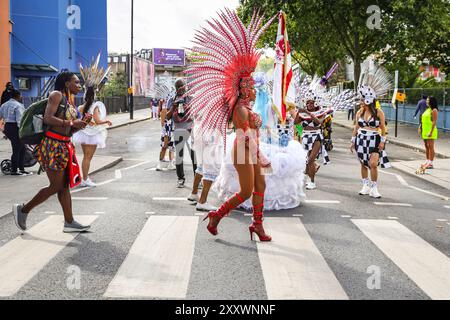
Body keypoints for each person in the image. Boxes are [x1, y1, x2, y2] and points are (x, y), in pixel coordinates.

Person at [186, 9, 275, 241]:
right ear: (244, 87)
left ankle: (257, 225)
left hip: (251, 149)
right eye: (253, 86)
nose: (256, 89)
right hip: (243, 151)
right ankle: (216, 215)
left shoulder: (248, 107)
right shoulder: (239, 109)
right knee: (246, 191)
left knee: (261, 185)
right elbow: (245, 137)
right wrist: (262, 156)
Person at [13, 71, 91, 233]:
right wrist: (71, 121)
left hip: (64, 146)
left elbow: (67, 131)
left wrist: (79, 125)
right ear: (66, 83)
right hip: (52, 146)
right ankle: (23, 210)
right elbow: (48, 118)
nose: (79, 86)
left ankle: (69, 222)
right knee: (56, 186)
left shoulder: (70, 103)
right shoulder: (56, 95)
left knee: (64, 186)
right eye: (76, 82)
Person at [351, 64, 392, 199]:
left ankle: (374, 187)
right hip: (361, 139)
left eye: (362, 99)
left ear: (369, 99)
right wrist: (352, 141)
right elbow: (356, 127)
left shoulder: (379, 112)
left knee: (373, 164)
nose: (361, 101)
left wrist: (383, 141)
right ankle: (365, 185)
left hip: (374, 139)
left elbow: (383, 128)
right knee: (363, 163)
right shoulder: (359, 112)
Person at [72, 88, 112, 187]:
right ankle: (85, 179)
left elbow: (79, 119)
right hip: (92, 135)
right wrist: (106, 121)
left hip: (83, 133)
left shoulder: (81, 107)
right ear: (94, 96)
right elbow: (97, 121)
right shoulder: (95, 106)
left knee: (85, 157)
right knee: (88, 158)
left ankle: (84, 179)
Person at [294, 90, 333, 191]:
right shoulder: (303, 113)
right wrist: (299, 112)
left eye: (311, 102)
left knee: (310, 160)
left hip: (316, 137)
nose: (309, 104)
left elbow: (318, 122)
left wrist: (307, 112)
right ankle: (311, 174)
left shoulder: (321, 112)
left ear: (316, 103)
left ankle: (312, 182)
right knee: (307, 161)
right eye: (307, 102)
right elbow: (296, 123)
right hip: (306, 137)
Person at [167, 79, 196, 188]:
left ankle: (197, 180)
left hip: (190, 129)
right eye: (178, 87)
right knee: (179, 157)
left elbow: (197, 114)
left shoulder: (191, 98)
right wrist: (174, 107)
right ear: (175, 88)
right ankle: (180, 178)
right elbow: (167, 117)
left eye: (182, 86)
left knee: (194, 156)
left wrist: (190, 109)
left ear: (185, 87)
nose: (180, 89)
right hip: (178, 130)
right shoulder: (171, 100)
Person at [0, 89, 31, 176]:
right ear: (17, 96)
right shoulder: (18, 105)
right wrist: (24, 131)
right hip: (16, 128)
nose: (21, 97)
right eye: (20, 95)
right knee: (17, 149)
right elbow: (20, 121)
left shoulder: (4, 105)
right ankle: (14, 170)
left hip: (8, 127)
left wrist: (3, 130)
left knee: (22, 149)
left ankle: (21, 169)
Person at [420, 96, 439, 170]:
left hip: (431, 131)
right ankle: (427, 161)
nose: (426, 101)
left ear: (432, 101)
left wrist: (431, 132)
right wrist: (420, 126)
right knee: (426, 146)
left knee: (430, 147)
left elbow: (434, 122)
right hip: (424, 130)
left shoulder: (434, 110)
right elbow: (424, 119)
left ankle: (431, 163)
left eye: (428, 100)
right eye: (427, 100)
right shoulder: (428, 109)